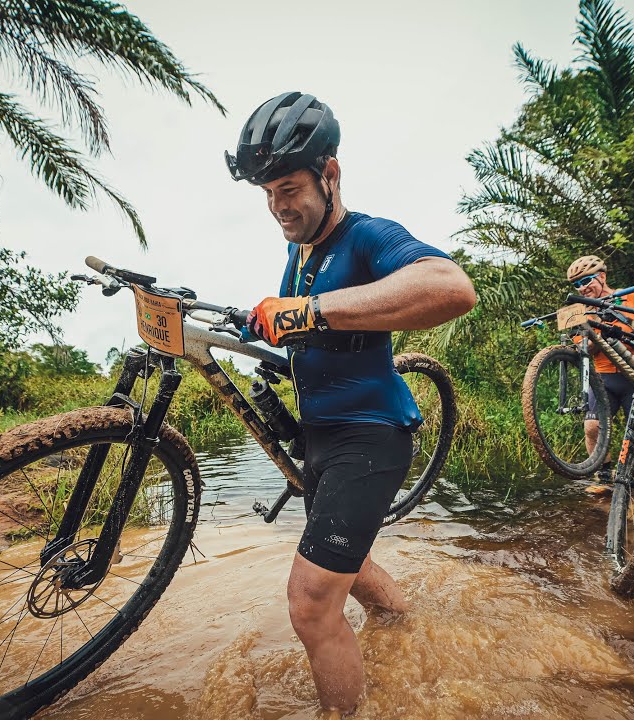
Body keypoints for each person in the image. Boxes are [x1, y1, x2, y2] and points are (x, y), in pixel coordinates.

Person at [227, 91, 477, 715]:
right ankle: (402, 624)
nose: (277, 207)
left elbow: (452, 288)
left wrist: (309, 311)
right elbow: (310, 336)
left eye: (288, 189)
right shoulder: (299, 251)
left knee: (311, 604)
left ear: (329, 174)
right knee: (350, 562)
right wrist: (262, 326)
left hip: (370, 437)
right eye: (267, 195)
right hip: (321, 436)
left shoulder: (369, 236)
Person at [565, 255, 634, 493]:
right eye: (577, 285)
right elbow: (582, 348)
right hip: (603, 377)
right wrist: (591, 326)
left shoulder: (633, 296)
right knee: (592, 427)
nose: (583, 287)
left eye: (587, 280)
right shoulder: (581, 313)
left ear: (602, 277)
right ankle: (603, 477)